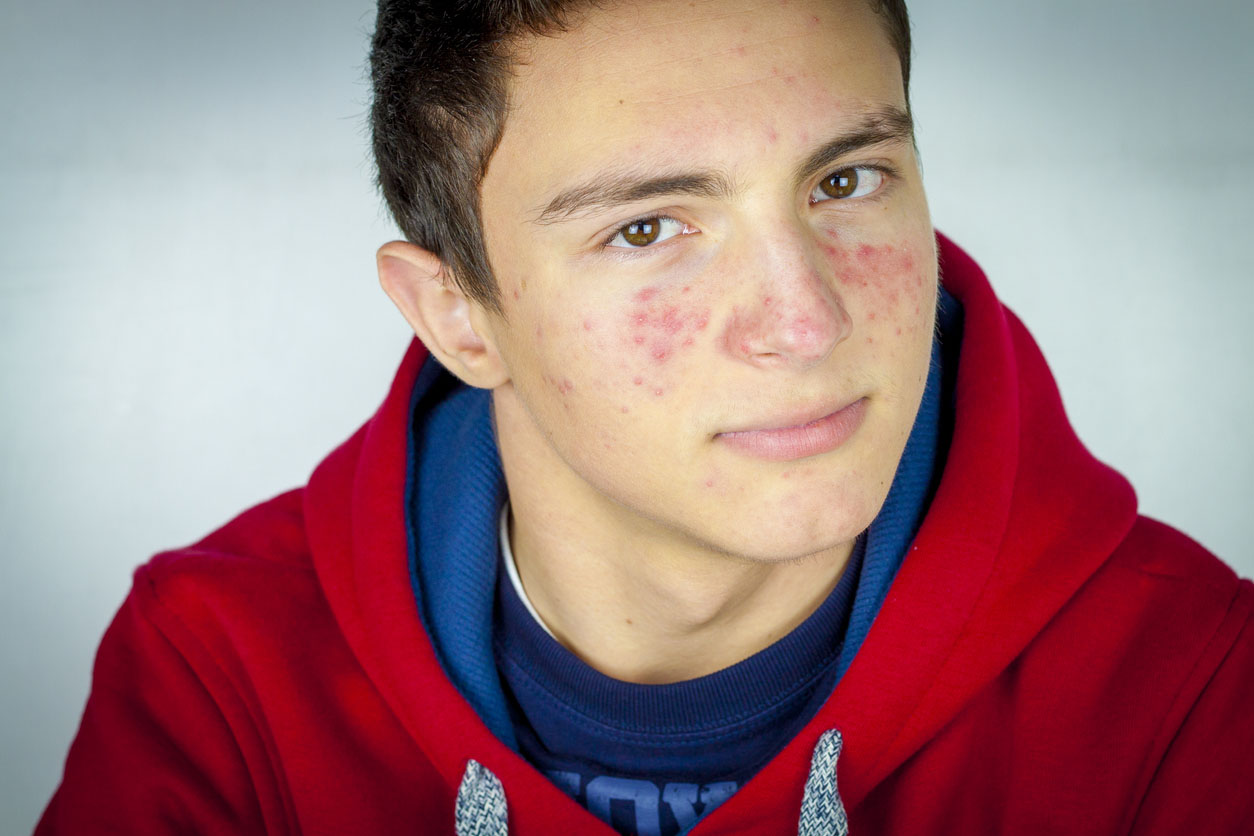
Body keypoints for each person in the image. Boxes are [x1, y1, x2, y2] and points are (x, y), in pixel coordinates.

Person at [35, 1, 1254, 834]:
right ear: (459, 314)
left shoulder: (1192, 685)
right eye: (647, 227)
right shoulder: (217, 671)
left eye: (846, 180)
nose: (804, 320)